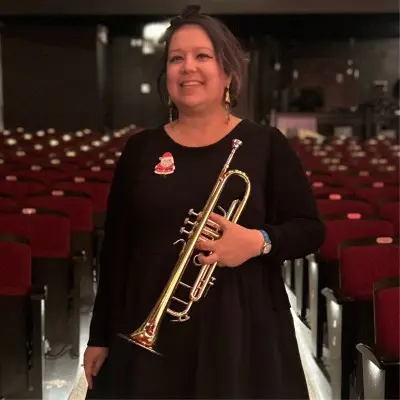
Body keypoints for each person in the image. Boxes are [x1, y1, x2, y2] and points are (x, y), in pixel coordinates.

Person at [84, 5, 325, 399]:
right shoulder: (140, 150)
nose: (188, 67)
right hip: (148, 328)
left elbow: (310, 230)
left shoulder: (266, 145)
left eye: (202, 56)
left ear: (227, 73)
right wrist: (99, 336)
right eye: (176, 58)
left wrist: (258, 241)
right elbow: (115, 254)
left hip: (241, 330)